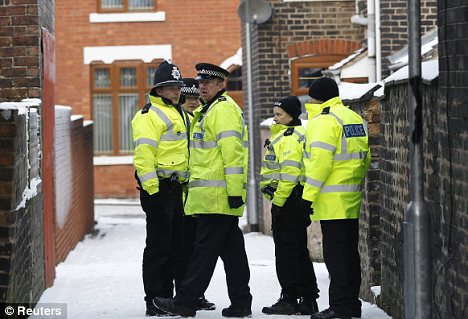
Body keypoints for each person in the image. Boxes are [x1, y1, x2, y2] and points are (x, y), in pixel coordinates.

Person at [153, 63, 252, 318]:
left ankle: (185, 303)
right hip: (212, 196)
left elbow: (233, 154)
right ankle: (241, 303)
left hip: (217, 197)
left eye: (209, 83)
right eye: (201, 82)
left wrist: (232, 192)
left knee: (203, 253)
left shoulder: (222, 111)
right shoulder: (211, 111)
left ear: (221, 85)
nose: (203, 87)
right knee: (232, 253)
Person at [302, 77, 371, 319]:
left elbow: (320, 163)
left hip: (331, 200)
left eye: (310, 96)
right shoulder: (354, 118)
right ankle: (352, 305)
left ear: (316, 97)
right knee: (350, 254)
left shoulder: (324, 121)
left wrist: (307, 197)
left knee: (336, 257)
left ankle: (340, 307)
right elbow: (365, 157)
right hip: (351, 196)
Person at [131, 60, 189, 317]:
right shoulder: (148, 115)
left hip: (178, 190)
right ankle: (154, 300)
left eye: (178, 87)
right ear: (158, 89)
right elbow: (144, 155)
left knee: (178, 247)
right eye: (170, 87)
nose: (177, 92)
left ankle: (170, 299)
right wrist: (153, 190)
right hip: (159, 190)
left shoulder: (181, 113)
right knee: (158, 248)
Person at [260, 96, 320, 316]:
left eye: (279, 115)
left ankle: (290, 298)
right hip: (293, 201)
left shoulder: (290, 138)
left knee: (286, 253)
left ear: (292, 116)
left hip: (288, 202)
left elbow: (289, 175)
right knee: (298, 252)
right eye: (275, 114)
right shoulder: (290, 135)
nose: (275, 119)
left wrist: (277, 203)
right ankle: (307, 299)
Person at [176, 77, 216, 311]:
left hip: (198, 195)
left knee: (195, 250)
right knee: (183, 251)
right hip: (181, 196)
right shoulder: (179, 121)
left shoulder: (202, 119)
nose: (192, 102)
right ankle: (184, 295)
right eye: (188, 98)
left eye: (195, 97)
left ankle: (194, 295)